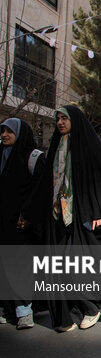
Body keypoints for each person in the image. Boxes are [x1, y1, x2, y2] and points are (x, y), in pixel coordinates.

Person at [21, 105, 101, 332]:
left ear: (75, 121)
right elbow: (44, 184)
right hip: (57, 216)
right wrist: (29, 213)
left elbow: (100, 181)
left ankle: (91, 307)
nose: (60, 123)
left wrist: (96, 212)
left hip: (82, 216)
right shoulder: (56, 146)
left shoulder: (90, 147)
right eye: (57, 119)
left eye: (64, 119)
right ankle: (65, 316)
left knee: (78, 266)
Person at [0, 118, 45, 329]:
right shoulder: (2, 155)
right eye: (2, 131)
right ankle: (8, 309)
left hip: (22, 224)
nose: (4, 135)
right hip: (3, 222)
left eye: (9, 131)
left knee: (21, 267)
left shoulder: (32, 157)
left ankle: (25, 311)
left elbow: (40, 190)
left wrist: (27, 215)